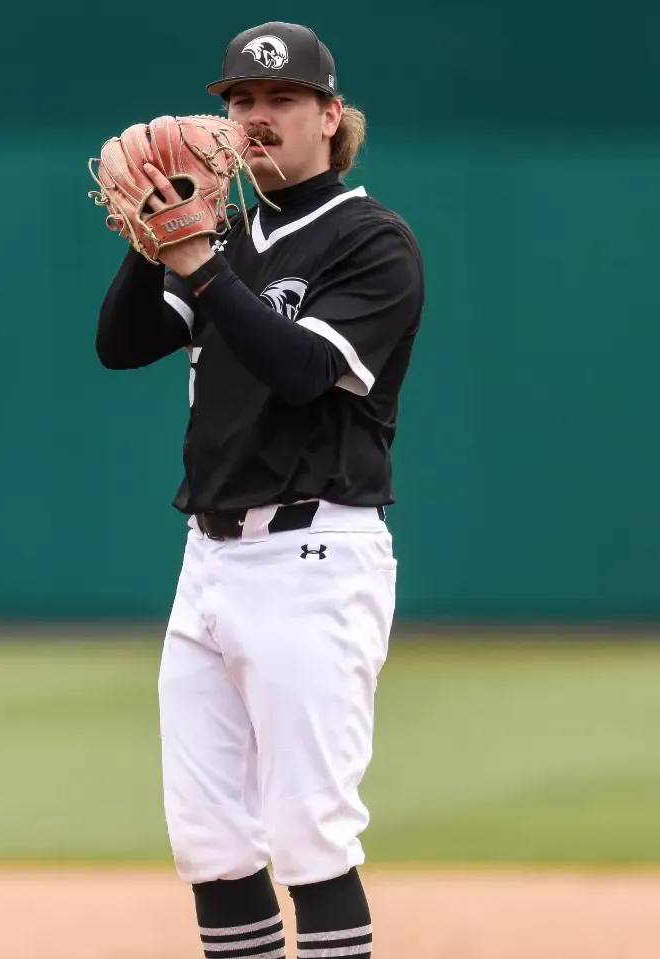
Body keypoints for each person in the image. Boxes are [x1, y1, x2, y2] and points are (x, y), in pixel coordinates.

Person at [94, 19, 424, 959]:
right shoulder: (226, 232)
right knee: (209, 841)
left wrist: (197, 259)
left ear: (331, 116)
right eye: (240, 101)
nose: (257, 117)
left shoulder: (372, 241)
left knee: (311, 834)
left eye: (281, 100)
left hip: (314, 557)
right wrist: (151, 228)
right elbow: (119, 346)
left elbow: (302, 373)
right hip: (208, 561)